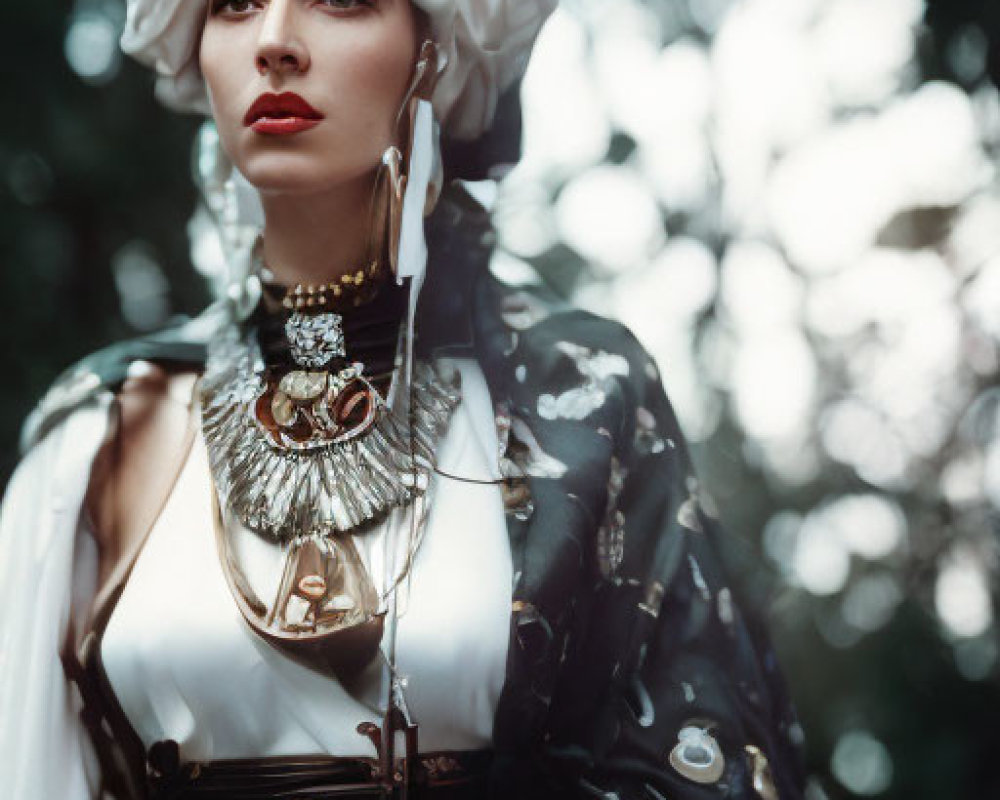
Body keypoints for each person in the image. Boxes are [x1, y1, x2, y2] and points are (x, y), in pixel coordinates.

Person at [0, 1, 807, 798]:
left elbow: (699, 761)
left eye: (342, 0)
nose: (275, 41)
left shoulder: (584, 401)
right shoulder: (99, 436)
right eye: (235, 3)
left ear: (436, 47)